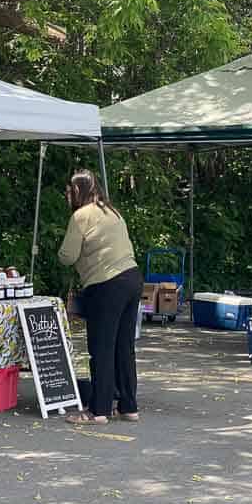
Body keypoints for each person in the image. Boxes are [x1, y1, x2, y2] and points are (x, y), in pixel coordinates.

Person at [59, 170, 142, 426]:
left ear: (76, 192)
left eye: (68, 191)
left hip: (106, 285)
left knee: (102, 349)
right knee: (124, 347)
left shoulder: (80, 216)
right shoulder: (112, 211)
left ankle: (98, 410)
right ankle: (128, 407)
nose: (66, 195)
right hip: (132, 278)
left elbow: (67, 256)